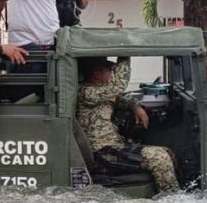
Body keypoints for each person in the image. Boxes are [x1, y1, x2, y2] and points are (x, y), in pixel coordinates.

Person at [77, 57, 179, 194]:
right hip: (101, 152)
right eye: (109, 70)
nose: (111, 74)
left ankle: (166, 193)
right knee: (159, 157)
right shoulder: (86, 92)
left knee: (168, 153)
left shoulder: (100, 91)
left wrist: (135, 107)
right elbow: (117, 87)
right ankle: (172, 200)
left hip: (112, 146)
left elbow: (120, 99)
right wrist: (125, 54)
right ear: (97, 73)